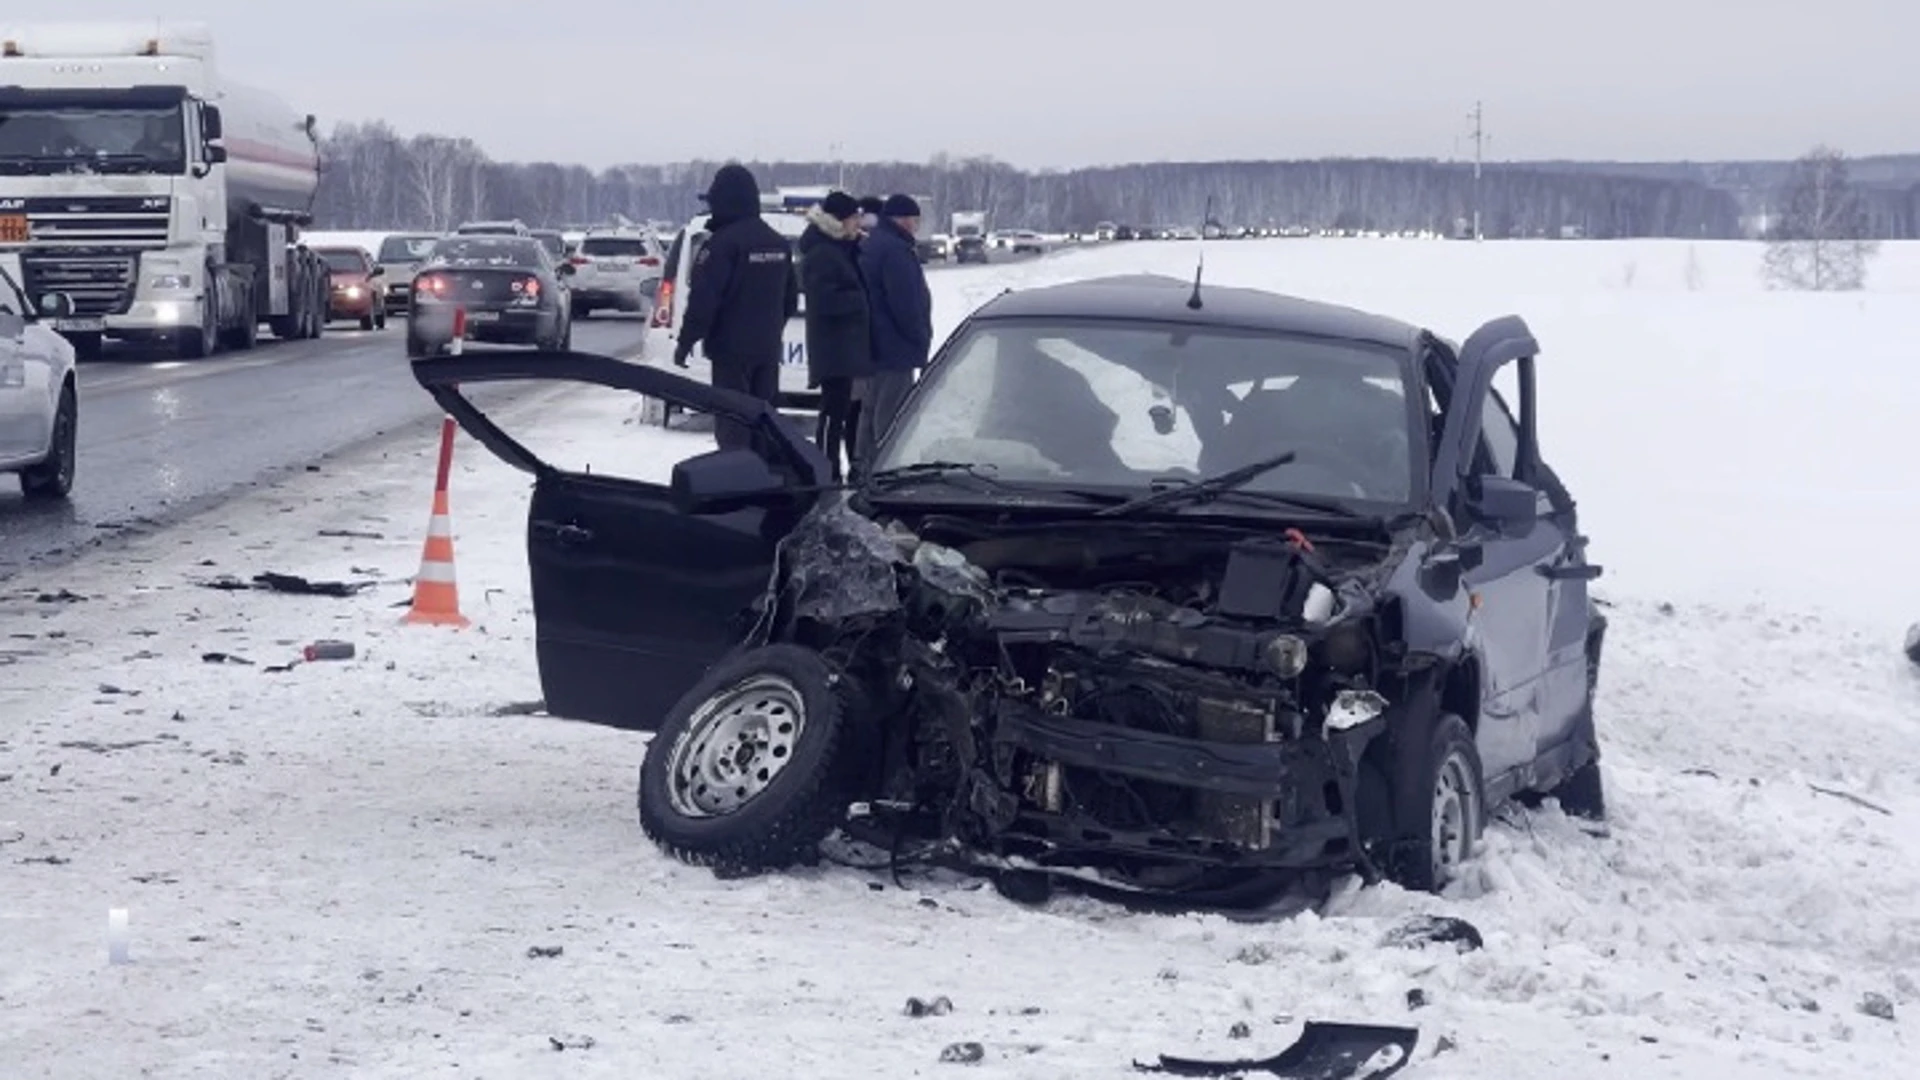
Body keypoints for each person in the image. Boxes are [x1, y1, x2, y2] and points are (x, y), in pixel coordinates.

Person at [673, 163, 799, 449]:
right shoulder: (777, 243)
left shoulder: (721, 245)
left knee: (732, 422)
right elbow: (790, 298)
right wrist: (771, 327)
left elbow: (704, 300)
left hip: (730, 352)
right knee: (763, 419)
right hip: (766, 350)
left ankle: (736, 480)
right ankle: (762, 478)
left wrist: (686, 341)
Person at [797, 191, 871, 481]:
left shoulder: (840, 249)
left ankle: (835, 466)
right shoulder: (822, 253)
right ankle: (826, 468)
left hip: (845, 345)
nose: (858, 223)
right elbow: (824, 300)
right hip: (834, 346)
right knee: (833, 411)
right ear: (840, 220)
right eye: (854, 218)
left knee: (843, 409)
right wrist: (859, 301)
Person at [855, 194, 933, 469]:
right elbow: (905, 303)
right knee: (891, 415)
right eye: (914, 220)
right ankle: (885, 470)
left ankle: (862, 466)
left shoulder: (874, 243)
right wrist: (920, 338)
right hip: (895, 346)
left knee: (871, 410)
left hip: (875, 344)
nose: (916, 226)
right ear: (902, 220)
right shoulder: (895, 251)